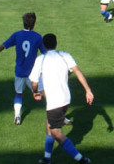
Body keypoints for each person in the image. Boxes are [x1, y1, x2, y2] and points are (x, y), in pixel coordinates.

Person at [29, 33, 93, 164]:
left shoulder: (40, 60)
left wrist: (35, 92)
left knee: (56, 133)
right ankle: (47, 157)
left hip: (54, 102)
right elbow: (78, 72)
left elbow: (34, 82)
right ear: (56, 44)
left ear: (44, 45)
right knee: (49, 124)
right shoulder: (65, 55)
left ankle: (81, 159)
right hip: (66, 98)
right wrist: (88, 90)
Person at [0, 12, 46, 125]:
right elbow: (46, 53)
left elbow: (4, 45)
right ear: (34, 23)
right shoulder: (38, 37)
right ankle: (60, 116)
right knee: (45, 93)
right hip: (33, 74)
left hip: (19, 72)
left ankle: (17, 116)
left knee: (18, 94)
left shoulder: (17, 35)